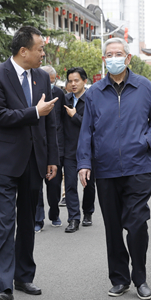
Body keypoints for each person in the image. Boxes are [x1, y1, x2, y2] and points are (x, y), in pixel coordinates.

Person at [77, 38, 151, 300]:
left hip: (138, 167)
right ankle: (119, 278)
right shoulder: (94, 93)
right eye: (109, 54)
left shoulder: (143, 87)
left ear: (128, 58)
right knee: (113, 227)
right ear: (104, 60)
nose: (113, 58)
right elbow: (86, 131)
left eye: (118, 53)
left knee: (137, 223)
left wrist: (146, 142)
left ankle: (140, 278)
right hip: (106, 170)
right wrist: (84, 163)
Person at [0, 26, 59, 300]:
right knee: (6, 222)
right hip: (5, 161)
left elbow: (50, 123)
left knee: (28, 221)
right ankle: (4, 287)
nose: (43, 53)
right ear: (23, 51)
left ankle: (24, 276)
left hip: (34, 160)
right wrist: (34, 112)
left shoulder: (42, 77)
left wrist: (52, 158)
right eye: (40, 49)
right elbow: (1, 116)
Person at [61, 67, 96, 229]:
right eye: (70, 81)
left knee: (88, 185)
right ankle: (73, 218)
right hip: (69, 150)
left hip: (88, 151)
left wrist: (75, 116)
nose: (73, 84)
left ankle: (88, 212)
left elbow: (93, 126)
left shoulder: (92, 100)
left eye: (76, 80)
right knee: (69, 185)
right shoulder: (65, 100)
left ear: (84, 81)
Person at [34, 65, 65, 232]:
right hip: (37, 147)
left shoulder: (59, 94)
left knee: (54, 186)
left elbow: (61, 121)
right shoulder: (33, 94)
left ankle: (54, 213)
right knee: (36, 187)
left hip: (54, 147)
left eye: (52, 81)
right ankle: (38, 219)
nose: (50, 84)